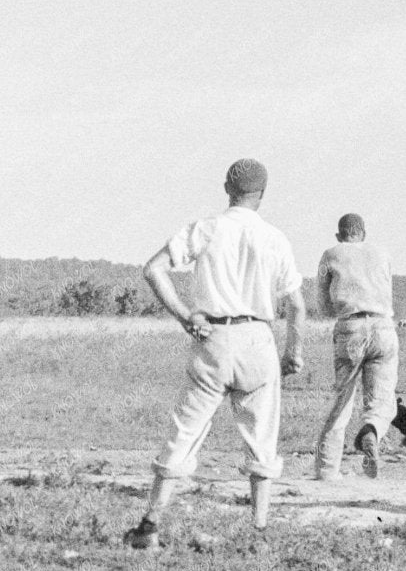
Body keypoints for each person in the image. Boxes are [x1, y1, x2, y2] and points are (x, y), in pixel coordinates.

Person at [123, 158, 305, 547]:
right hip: (258, 338)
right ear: (263, 193)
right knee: (261, 435)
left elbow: (153, 269)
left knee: (186, 430)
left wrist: (186, 316)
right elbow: (298, 305)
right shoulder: (275, 238)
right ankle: (259, 529)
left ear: (227, 188)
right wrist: (294, 351)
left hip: (215, 338)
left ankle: (150, 525)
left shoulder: (206, 228)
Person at [312, 213, 397, 480]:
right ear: (364, 232)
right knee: (381, 399)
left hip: (350, 327)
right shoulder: (382, 253)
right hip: (383, 326)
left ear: (340, 236)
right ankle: (371, 430)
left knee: (342, 400)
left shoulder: (331, 254)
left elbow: (323, 304)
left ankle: (327, 469)